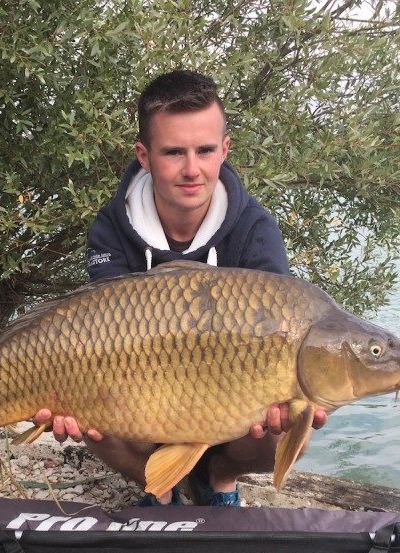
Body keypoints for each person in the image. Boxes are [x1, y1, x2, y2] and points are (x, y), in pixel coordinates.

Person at [33, 70, 327, 506]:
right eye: (173, 152)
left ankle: (218, 479)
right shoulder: (112, 227)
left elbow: (277, 332)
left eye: (205, 150)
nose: (192, 169)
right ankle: (160, 487)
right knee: (85, 408)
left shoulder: (255, 230)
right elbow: (102, 330)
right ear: (145, 156)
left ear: (224, 150)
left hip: (228, 405)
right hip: (140, 392)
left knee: (289, 425)